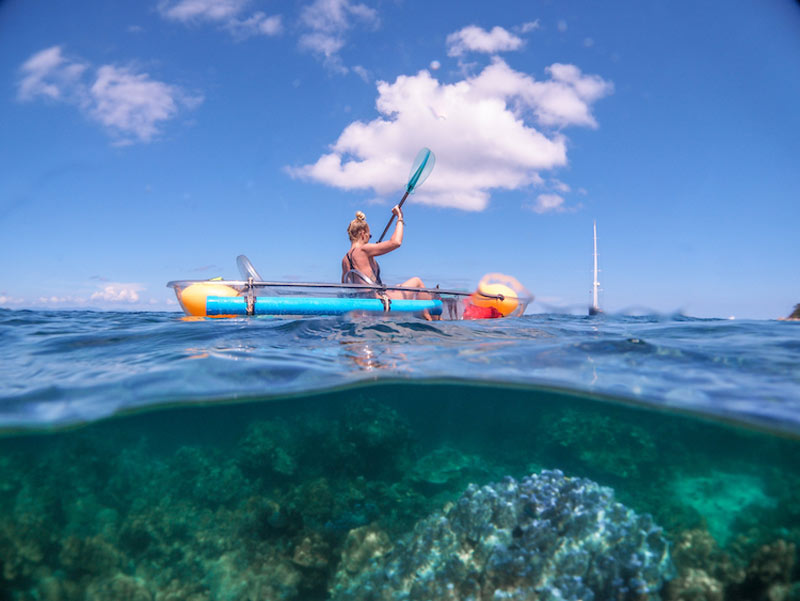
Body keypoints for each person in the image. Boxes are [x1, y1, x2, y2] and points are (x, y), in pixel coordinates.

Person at [341, 206, 433, 314]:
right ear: (362, 234)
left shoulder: (345, 259)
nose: (369, 239)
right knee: (417, 282)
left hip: (363, 302)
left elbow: (345, 285)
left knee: (399, 286)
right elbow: (396, 242)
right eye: (369, 236)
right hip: (378, 301)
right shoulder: (364, 250)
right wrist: (399, 218)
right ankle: (429, 320)